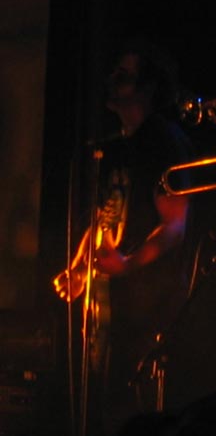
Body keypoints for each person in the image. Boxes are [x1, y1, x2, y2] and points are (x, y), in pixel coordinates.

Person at [52, 38, 196, 435]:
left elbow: (175, 226)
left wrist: (129, 264)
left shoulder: (164, 142)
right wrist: (80, 269)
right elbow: (104, 218)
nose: (111, 81)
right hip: (111, 301)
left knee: (132, 411)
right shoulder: (115, 147)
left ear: (148, 88)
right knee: (103, 405)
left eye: (124, 75)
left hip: (148, 302)